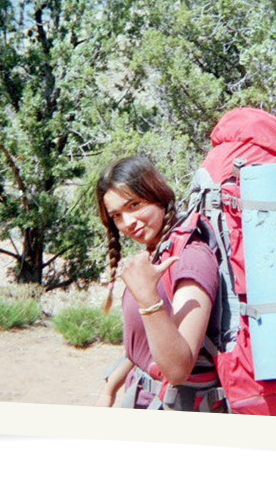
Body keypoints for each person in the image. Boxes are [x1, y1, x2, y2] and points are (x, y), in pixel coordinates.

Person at [93, 156, 221, 410]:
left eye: (134, 205)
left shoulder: (189, 257)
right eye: (117, 215)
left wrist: (147, 299)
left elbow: (177, 369)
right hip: (142, 397)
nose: (127, 222)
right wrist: (109, 390)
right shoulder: (158, 251)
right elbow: (142, 344)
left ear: (159, 195)